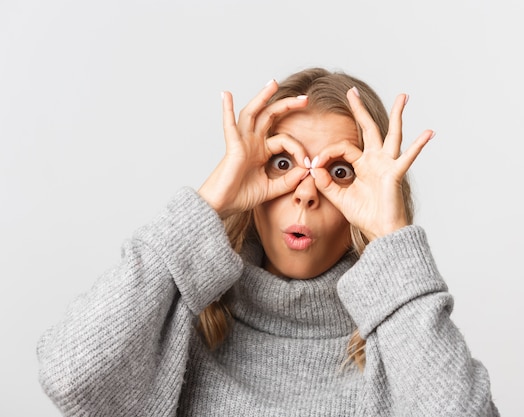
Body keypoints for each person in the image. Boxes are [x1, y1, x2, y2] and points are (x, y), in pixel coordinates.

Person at [37, 67, 499, 416]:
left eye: (340, 173)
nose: (305, 190)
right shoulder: (182, 326)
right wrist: (209, 203)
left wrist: (392, 241)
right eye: (283, 164)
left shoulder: (399, 347)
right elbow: (72, 377)